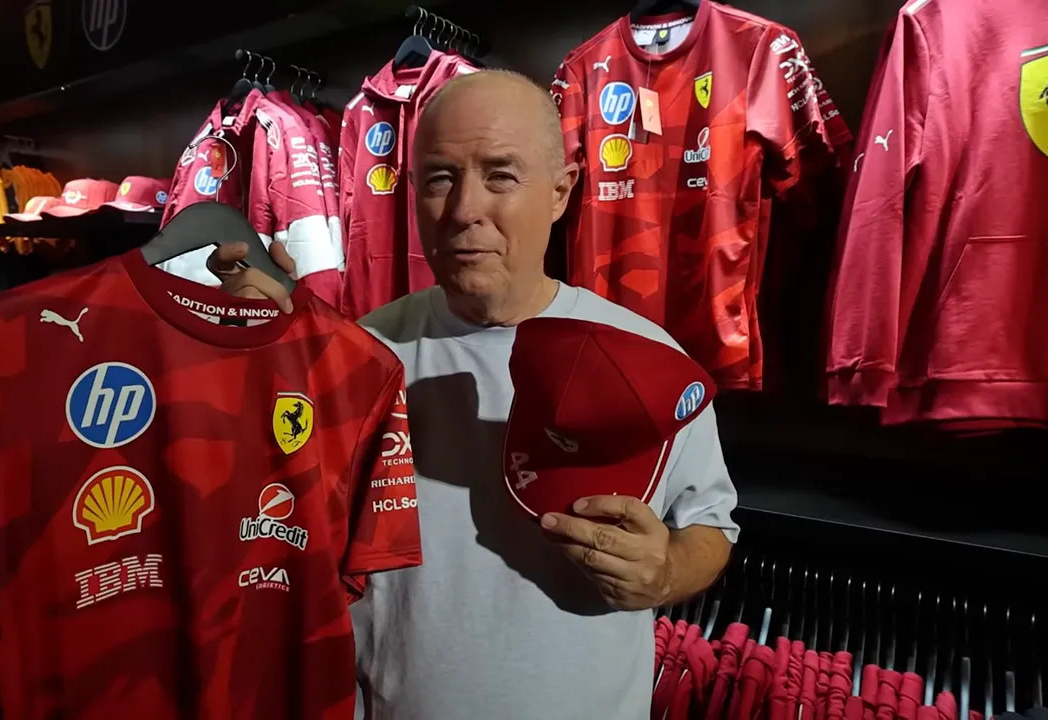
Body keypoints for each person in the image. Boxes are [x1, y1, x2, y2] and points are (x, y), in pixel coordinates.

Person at [206, 70, 739, 719]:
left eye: (501, 175)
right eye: (439, 178)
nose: (463, 209)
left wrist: (663, 572)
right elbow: (270, 529)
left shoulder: (650, 361)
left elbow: (710, 529)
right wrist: (247, 372)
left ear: (560, 191)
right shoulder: (356, 357)